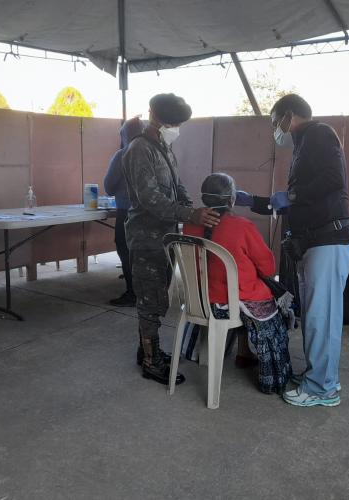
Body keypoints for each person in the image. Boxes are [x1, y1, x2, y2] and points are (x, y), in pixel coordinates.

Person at [237, 94, 349, 407]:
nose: (276, 131)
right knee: (316, 315)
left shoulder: (319, 133)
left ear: (289, 116)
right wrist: (254, 201)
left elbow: (333, 180)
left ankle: (322, 389)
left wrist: (290, 194)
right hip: (313, 241)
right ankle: (320, 377)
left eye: (276, 123)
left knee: (322, 317)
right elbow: (292, 200)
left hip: (327, 239)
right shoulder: (304, 143)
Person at [122, 93, 220, 386]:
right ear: (153, 116)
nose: (175, 128)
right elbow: (150, 198)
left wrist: (195, 210)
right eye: (171, 122)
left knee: (159, 296)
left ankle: (146, 349)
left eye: (178, 123)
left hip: (165, 236)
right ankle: (152, 363)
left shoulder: (163, 147)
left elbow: (177, 187)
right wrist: (191, 215)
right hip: (146, 237)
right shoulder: (139, 149)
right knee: (151, 301)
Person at [184, 173, 292, 394]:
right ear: (232, 199)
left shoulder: (189, 225)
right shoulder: (242, 226)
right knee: (265, 301)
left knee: (239, 294)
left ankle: (240, 352)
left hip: (202, 300)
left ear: (204, 198)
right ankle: (264, 367)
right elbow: (268, 269)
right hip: (232, 303)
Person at [104, 116, 145, 307]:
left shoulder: (122, 155)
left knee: (126, 250)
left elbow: (109, 187)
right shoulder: (157, 153)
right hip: (154, 213)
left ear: (124, 135)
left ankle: (132, 294)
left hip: (128, 211)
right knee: (145, 253)